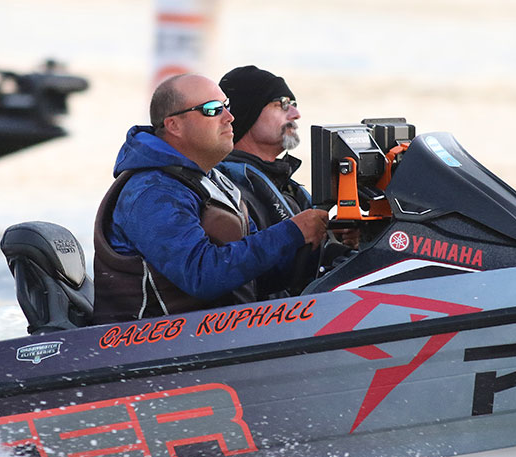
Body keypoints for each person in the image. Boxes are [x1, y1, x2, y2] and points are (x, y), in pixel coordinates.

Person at [91, 73, 329, 325]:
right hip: (149, 343)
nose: (229, 117)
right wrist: (291, 232)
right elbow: (200, 275)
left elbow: (257, 276)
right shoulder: (152, 191)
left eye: (227, 106)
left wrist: (322, 243)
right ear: (174, 125)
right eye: (213, 109)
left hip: (218, 334)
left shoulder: (214, 180)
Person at [218, 65, 359, 247]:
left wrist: (334, 239)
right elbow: (243, 259)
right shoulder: (227, 188)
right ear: (246, 111)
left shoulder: (284, 185)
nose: (296, 114)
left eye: (294, 105)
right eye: (282, 104)